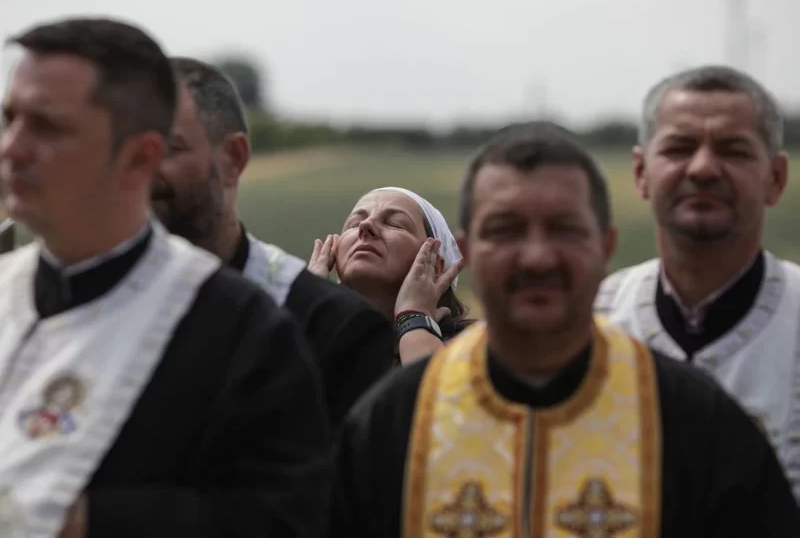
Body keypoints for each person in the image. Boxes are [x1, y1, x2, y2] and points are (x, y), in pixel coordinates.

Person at [329, 122, 800, 538]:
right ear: (468, 254)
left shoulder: (696, 421)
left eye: (564, 229)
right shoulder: (397, 419)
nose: (536, 256)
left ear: (606, 246)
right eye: (506, 229)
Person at [0, 18, 329, 538]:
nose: (12, 147)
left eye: (48, 127)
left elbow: (282, 518)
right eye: (9, 119)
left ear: (138, 158)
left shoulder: (238, 330)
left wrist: (87, 521)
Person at [154, 57, 396, 431]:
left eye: (169, 149)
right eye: (123, 151)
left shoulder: (329, 326)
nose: (139, 171)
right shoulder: (78, 298)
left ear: (234, 158)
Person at [594, 65, 800, 500]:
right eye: (679, 148)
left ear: (776, 178)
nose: (704, 168)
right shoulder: (593, 318)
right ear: (641, 173)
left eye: (734, 150)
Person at [307, 186, 469, 365]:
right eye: (353, 224)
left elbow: (433, 390)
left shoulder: (474, 349)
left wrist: (414, 320)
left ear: (435, 267)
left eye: (395, 223)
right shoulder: (322, 347)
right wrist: (308, 309)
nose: (365, 225)